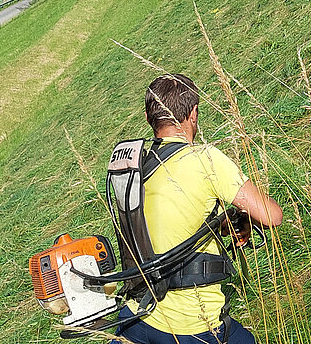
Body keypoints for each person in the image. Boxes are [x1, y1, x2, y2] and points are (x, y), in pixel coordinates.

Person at [115, 74, 283, 344]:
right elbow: (272, 215)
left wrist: (224, 223)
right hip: (192, 326)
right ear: (193, 113)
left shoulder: (135, 169)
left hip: (135, 318)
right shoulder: (205, 159)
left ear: (148, 118)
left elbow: (166, 227)